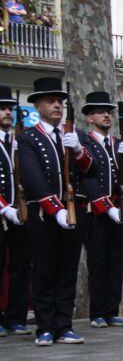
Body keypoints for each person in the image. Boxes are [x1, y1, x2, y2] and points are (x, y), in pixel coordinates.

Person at [18, 77, 95, 346]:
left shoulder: (75, 135)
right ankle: (45, 327)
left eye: (60, 102)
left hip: (74, 213)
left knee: (67, 269)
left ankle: (64, 325)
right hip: (44, 214)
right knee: (44, 269)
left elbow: (90, 171)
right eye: (50, 101)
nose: (57, 106)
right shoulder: (28, 138)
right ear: (37, 105)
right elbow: (32, 177)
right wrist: (55, 209)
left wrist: (79, 150)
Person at [80, 91, 123, 329]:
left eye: (109, 112)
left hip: (121, 210)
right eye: (100, 112)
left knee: (116, 261)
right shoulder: (85, 143)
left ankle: (111, 310)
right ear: (90, 118)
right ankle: (97, 312)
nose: (106, 115)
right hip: (97, 212)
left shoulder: (118, 143)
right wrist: (106, 207)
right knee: (98, 262)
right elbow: (88, 178)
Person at [0, 86, 32, 337]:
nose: (7, 112)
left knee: (21, 265)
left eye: (9, 108)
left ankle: (16, 315)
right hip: (3, 212)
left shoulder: (19, 140)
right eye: (2, 108)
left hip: (19, 212)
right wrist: (4, 207)